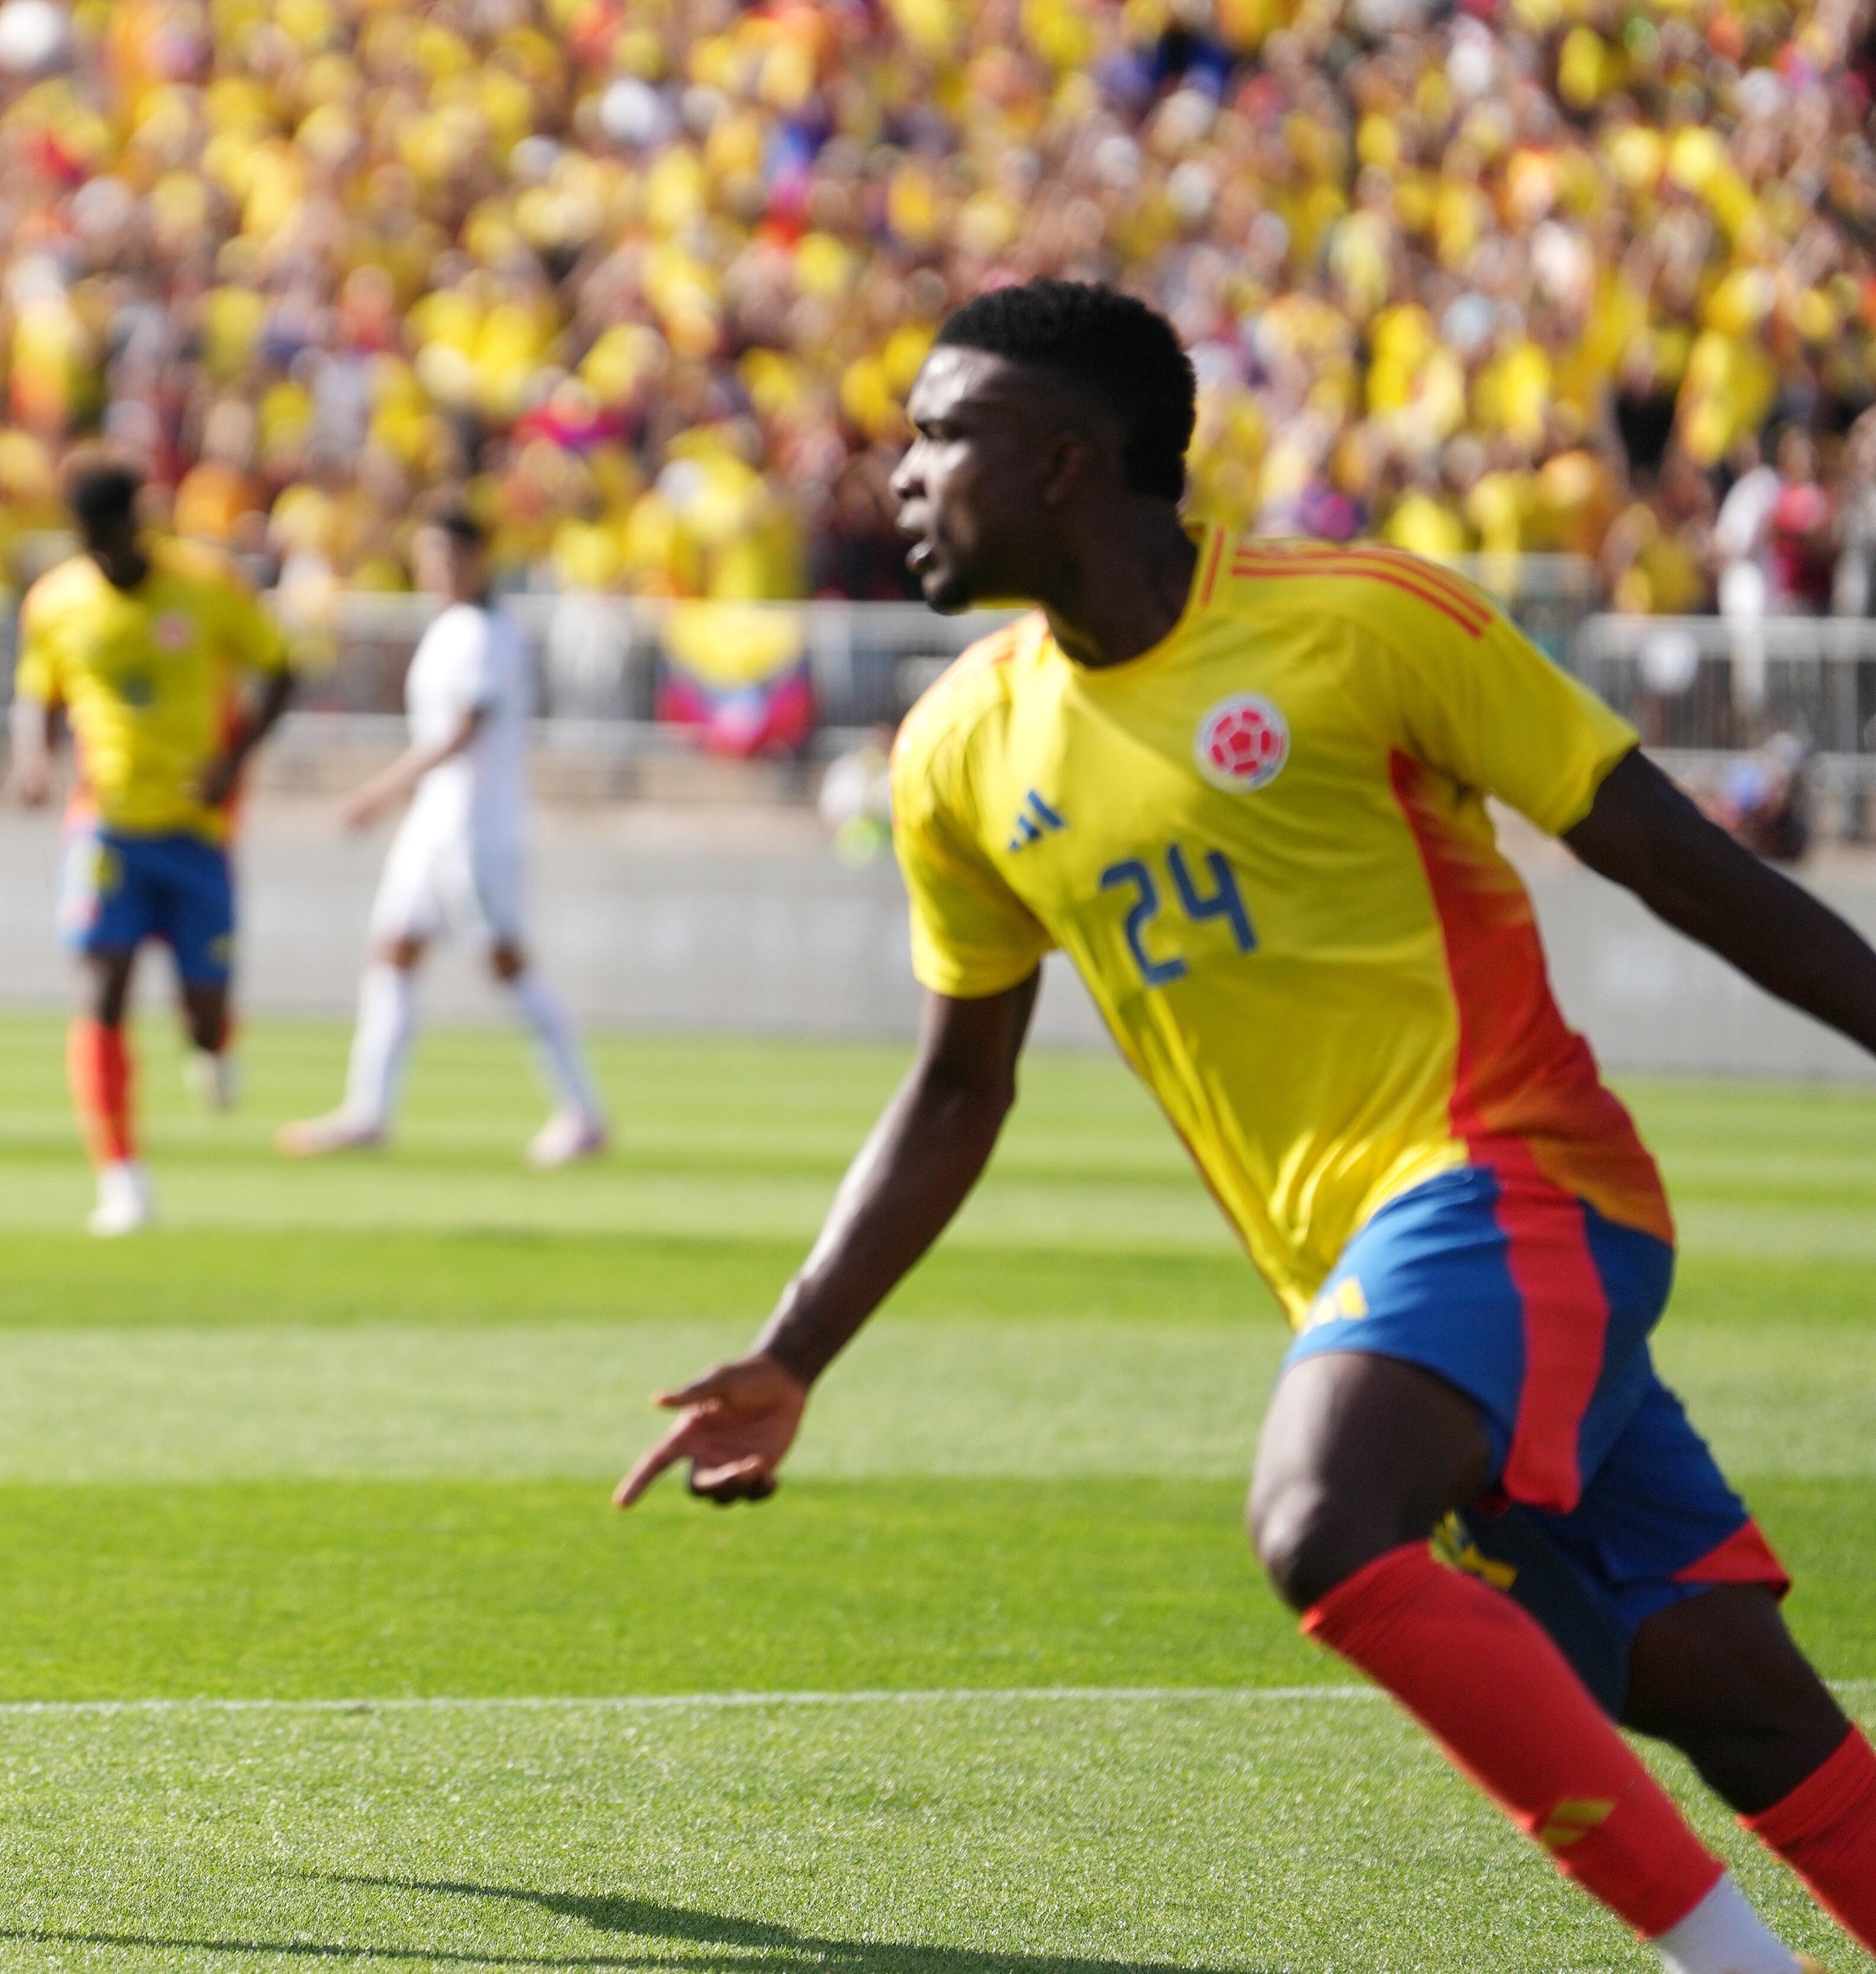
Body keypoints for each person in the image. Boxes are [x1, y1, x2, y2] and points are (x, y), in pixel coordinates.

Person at [615, 280, 1876, 1974]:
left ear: (1069, 461)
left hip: (1517, 1180)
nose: (897, 473)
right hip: (1370, 1275)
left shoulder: (1361, 625)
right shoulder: (958, 754)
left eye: (938, 434)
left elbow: (1676, 857)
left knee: (1320, 1514)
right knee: (1729, 1697)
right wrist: (794, 1352)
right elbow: (956, 1087)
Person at [10, 453, 293, 1235]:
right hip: (107, 827)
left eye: (118, 533)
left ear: (140, 521)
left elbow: (282, 668)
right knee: (101, 991)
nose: (109, 551)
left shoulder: (208, 586)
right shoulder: (59, 601)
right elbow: (40, 689)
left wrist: (233, 763)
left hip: (199, 831)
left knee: (202, 1015)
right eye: (94, 539)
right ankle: (122, 1176)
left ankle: (213, 1041)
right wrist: (34, 759)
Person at [276, 511, 607, 1165]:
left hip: (475, 824)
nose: (437, 571)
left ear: (478, 558)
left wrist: (377, 794)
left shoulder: (486, 633)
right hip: (435, 821)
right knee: (392, 952)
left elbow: (458, 733)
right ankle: (367, 1110)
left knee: (505, 962)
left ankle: (581, 1112)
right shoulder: (451, 628)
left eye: (448, 558)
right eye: (429, 558)